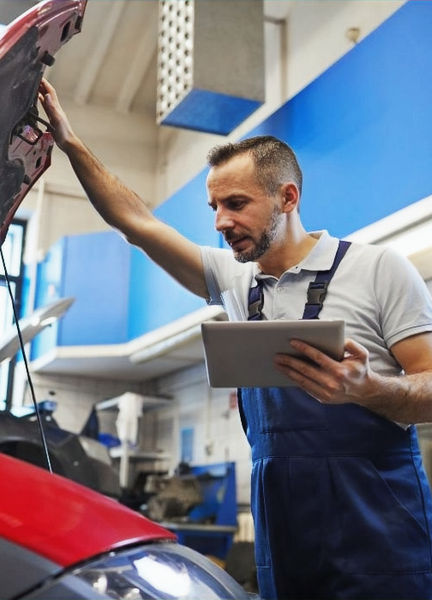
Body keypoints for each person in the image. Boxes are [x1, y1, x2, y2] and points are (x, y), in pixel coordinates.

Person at [38, 78, 432, 599]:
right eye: (215, 207)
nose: (222, 222)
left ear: (288, 197)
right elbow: (135, 222)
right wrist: (69, 141)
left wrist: (369, 390)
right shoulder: (233, 279)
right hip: (282, 518)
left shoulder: (379, 269)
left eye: (238, 204)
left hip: (377, 521)